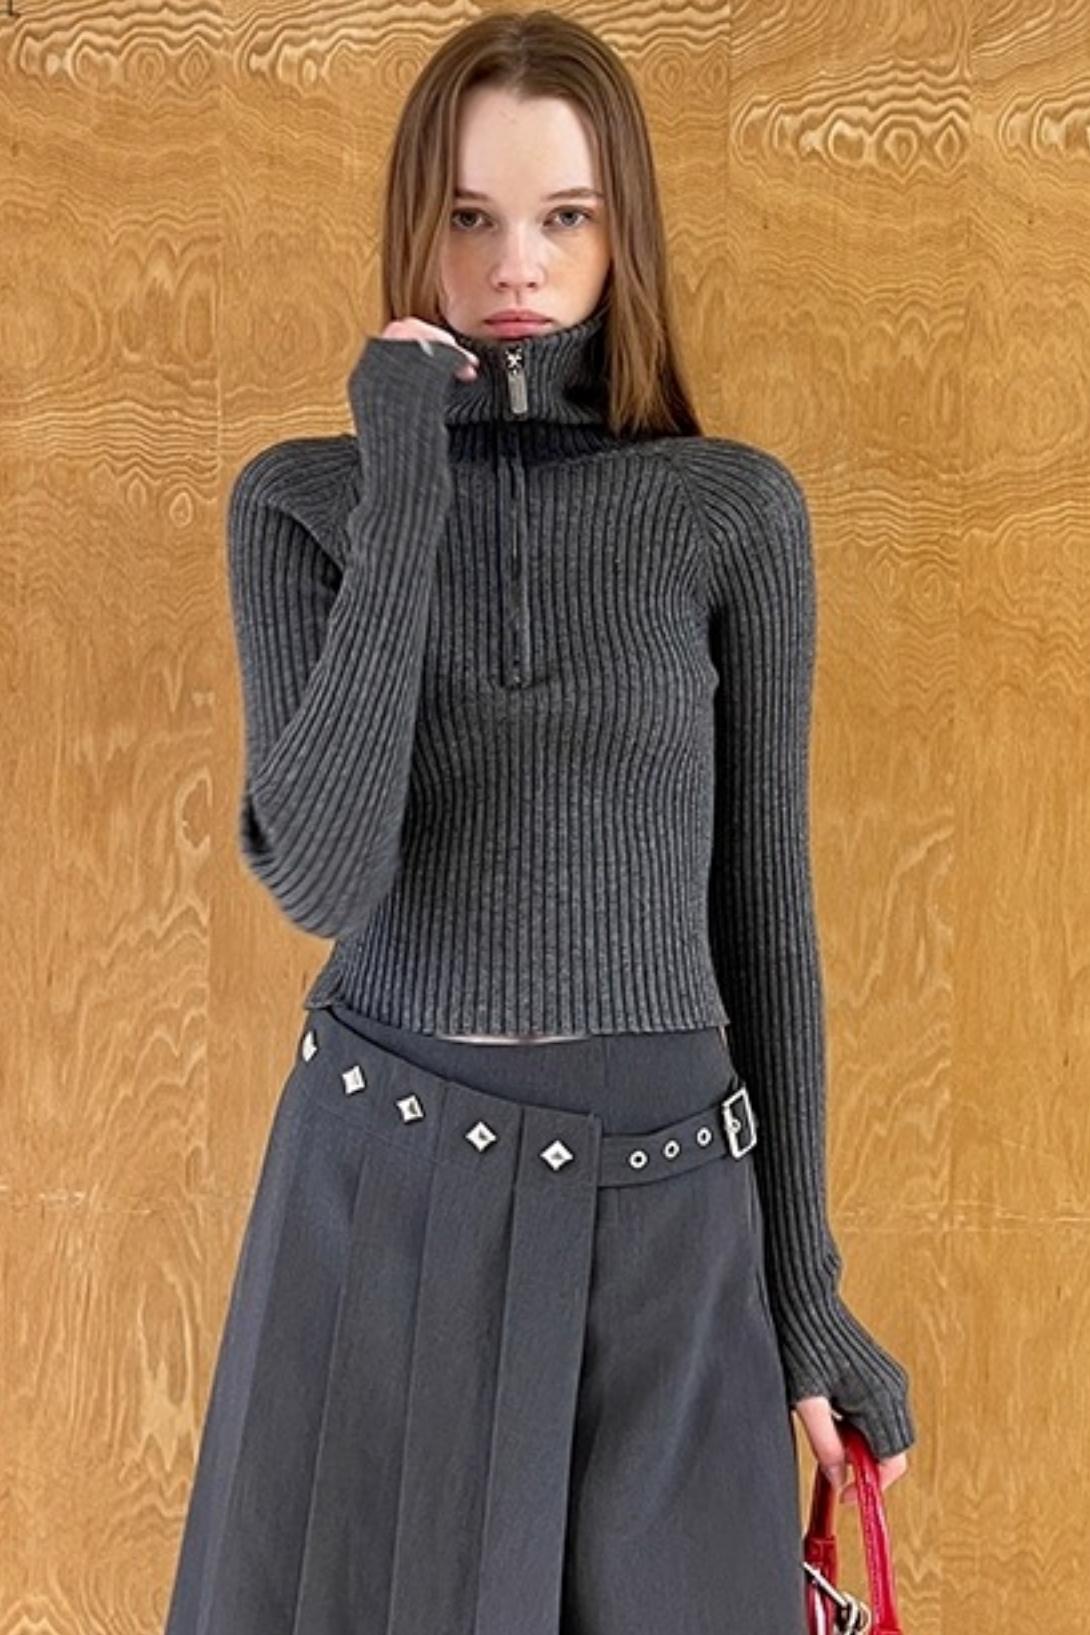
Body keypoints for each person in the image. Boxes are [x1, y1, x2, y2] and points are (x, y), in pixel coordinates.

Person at [163, 10, 916, 1633]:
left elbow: (763, 924)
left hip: (669, 1221)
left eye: (564, 216)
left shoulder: (728, 512)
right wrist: (404, 483)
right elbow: (324, 870)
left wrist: (805, 1296)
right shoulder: (301, 503)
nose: (516, 263)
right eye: (470, 215)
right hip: (381, 1194)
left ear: (620, 229)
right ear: (413, 225)